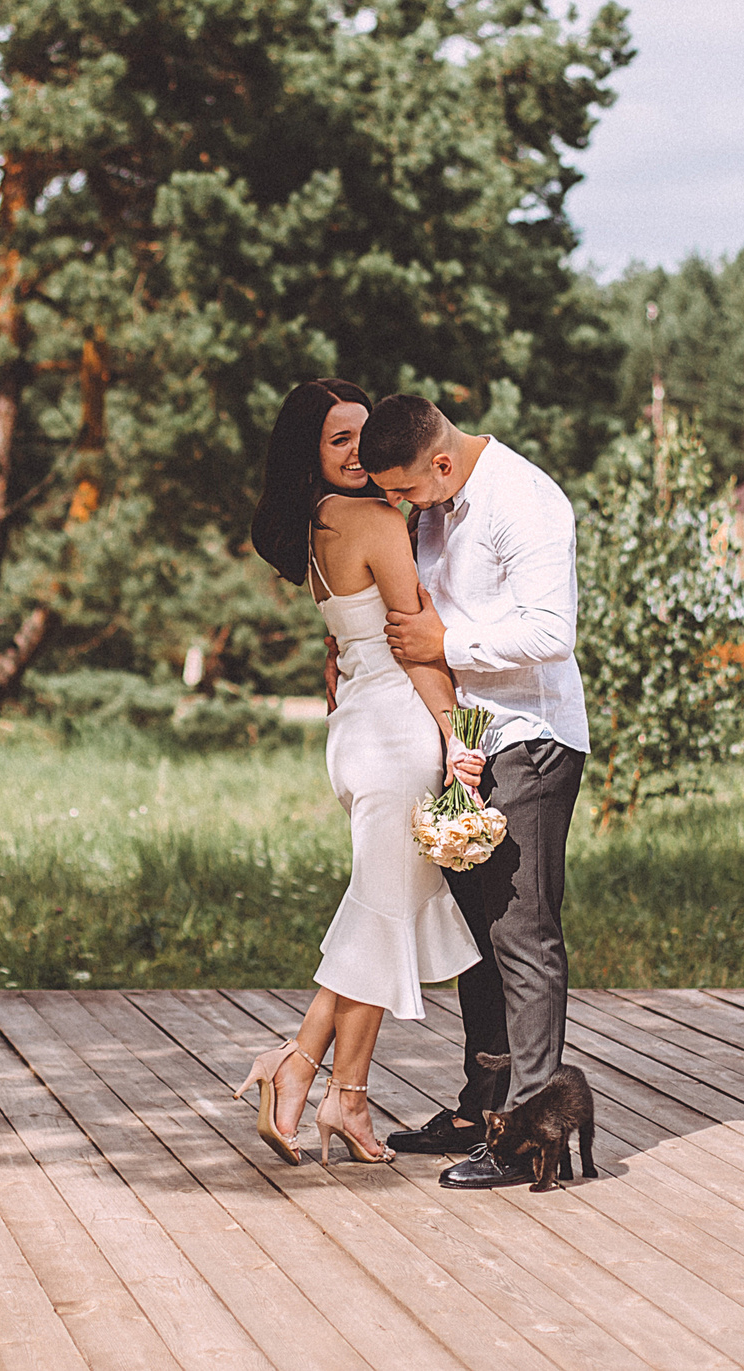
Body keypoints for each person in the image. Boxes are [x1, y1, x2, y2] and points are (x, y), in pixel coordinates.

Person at [238, 379, 486, 1164]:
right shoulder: (377, 519)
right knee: (381, 913)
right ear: (311, 452)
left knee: (384, 913)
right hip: (396, 732)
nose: (355, 453)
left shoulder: (316, 525)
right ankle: (297, 1065)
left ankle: (346, 1099)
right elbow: (416, 638)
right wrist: (461, 740)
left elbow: (352, 632)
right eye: (337, 440)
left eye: (361, 436)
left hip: (356, 730)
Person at [358, 394, 590, 1189]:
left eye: (409, 491)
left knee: (522, 936)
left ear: (443, 462)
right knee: (477, 936)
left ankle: (530, 1131)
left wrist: (445, 642)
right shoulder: (437, 502)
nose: (404, 506)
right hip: (472, 743)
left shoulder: (525, 499)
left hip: (532, 738)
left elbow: (552, 631)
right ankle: (480, 1110)